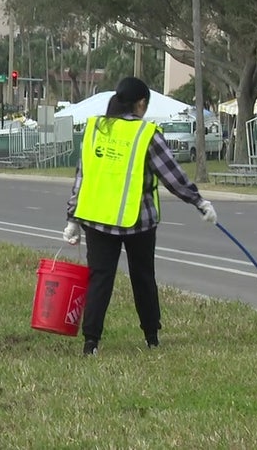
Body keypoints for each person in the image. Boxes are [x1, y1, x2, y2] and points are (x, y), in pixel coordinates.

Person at [62, 76, 218, 356]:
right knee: (143, 277)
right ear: (140, 104)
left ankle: (91, 343)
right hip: (138, 220)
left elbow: (82, 177)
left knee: (99, 279)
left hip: (96, 219)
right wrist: (199, 201)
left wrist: (72, 218)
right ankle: (151, 338)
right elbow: (172, 175)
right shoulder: (145, 133)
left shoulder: (95, 128)